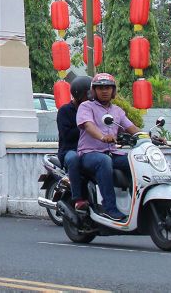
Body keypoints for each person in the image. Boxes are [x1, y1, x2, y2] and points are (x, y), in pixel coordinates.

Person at [76, 73, 139, 222]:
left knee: (134, 160)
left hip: (112, 152)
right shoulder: (86, 107)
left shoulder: (117, 111)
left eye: (108, 88)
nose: (105, 91)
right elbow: (88, 125)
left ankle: (137, 206)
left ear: (113, 91)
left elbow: (131, 128)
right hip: (89, 154)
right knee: (104, 161)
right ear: (94, 91)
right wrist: (102, 137)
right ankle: (109, 208)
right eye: (100, 88)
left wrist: (150, 137)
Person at [58, 76, 91, 210]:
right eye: (88, 94)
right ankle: (78, 199)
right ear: (79, 94)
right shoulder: (65, 111)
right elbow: (67, 135)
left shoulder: (94, 109)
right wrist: (86, 126)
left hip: (90, 149)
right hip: (70, 150)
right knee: (74, 159)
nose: (91, 98)